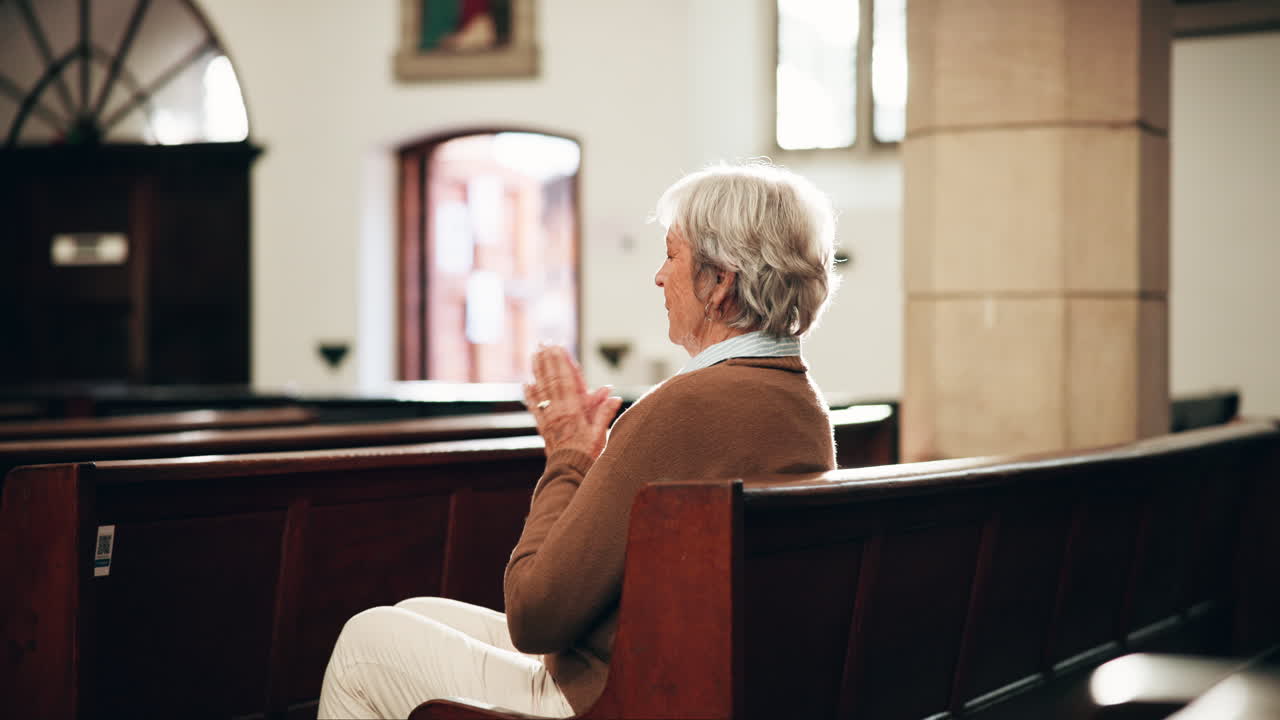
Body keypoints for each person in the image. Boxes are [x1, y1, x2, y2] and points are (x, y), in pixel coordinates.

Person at [317, 160, 840, 719]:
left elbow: (535, 614)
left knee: (364, 643)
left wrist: (568, 457)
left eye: (671, 254)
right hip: (706, 676)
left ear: (720, 283)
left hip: (625, 696)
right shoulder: (802, 406)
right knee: (416, 612)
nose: (659, 277)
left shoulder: (677, 412)